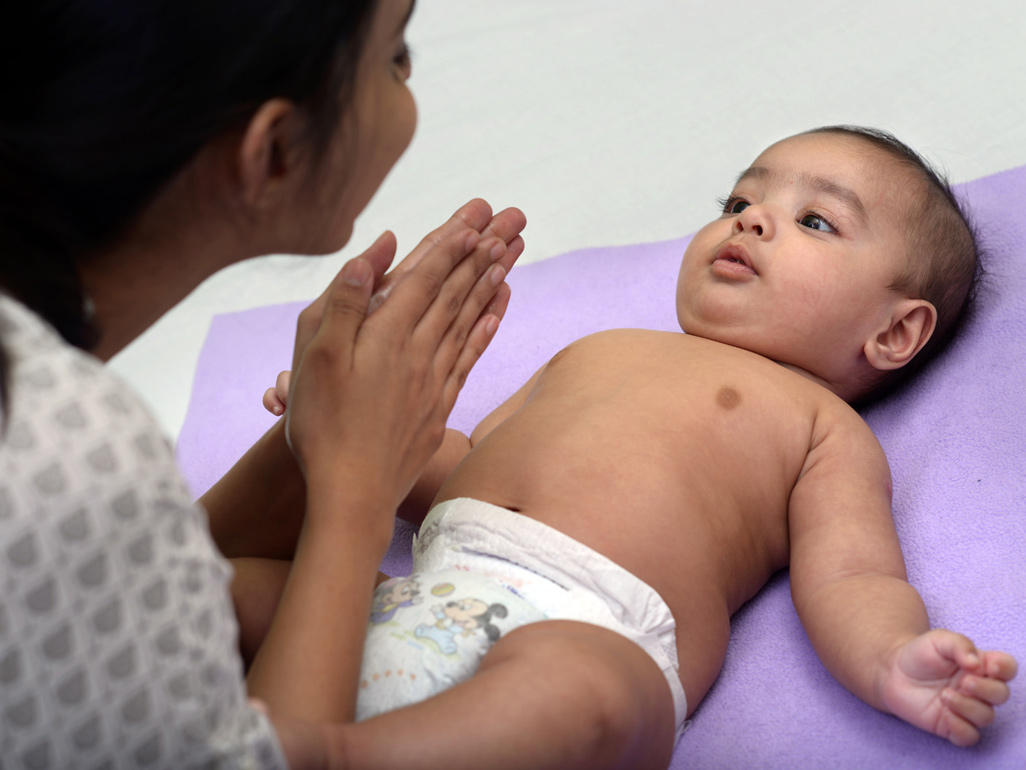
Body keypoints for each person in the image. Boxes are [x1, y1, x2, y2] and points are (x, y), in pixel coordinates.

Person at [260, 126, 1017, 769]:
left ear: (893, 333)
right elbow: (465, 465)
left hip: (597, 630)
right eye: (739, 202)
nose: (750, 222)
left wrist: (894, 659)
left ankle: (334, 756)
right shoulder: (601, 348)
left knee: (583, 686)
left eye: (816, 221)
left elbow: (852, 575)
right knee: (228, 586)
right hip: (425, 595)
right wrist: (345, 424)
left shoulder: (822, 428)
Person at [0, 1, 527, 767]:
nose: (409, 73)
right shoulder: (60, 446)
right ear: (276, 151)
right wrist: (355, 494)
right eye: (394, 53)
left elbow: (93, 607)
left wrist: (314, 444)